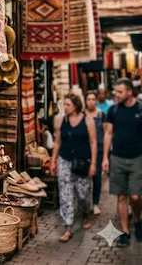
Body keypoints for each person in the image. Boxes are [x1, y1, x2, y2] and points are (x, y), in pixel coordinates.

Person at [51, 93, 97, 243]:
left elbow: (93, 142)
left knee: (83, 194)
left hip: (82, 162)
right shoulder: (60, 120)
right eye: (64, 104)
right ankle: (68, 227)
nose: (65, 107)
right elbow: (57, 142)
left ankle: (85, 214)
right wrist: (53, 161)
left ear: (76, 105)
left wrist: (94, 163)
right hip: (64, 161)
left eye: (68, 105)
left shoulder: (88, 120)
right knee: (65, 195)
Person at [103, 78, 142, 247]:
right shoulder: (113, 110)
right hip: (117, 158)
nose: (116, 95)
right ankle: (125, 231)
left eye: (120, 92)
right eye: (116, 92)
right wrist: (105, 157)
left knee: (135, 196)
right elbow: (108, 134)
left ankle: (138, 220)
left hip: (137, 158)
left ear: (129, 92)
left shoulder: (140, 109)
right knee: (121, 197)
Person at [84, 91, 105, 215]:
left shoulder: (101, 115)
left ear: (96, 101)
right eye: (89, 99)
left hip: (99, 150)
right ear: (85, 101)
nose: (91, 101)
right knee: (85, 178)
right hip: (85, 150)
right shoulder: (82, 115)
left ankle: (95, 203)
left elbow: (107, 132)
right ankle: (86, 203)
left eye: (93, 99)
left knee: (97, 177)